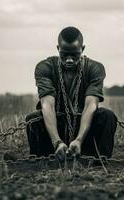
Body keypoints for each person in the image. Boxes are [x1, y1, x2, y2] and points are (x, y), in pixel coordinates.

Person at [26, 26, 117, 161]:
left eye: (74, 55)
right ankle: (44, 162)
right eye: (64, 54)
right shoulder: (45, 68)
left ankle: (99, 163)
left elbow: (91, 105)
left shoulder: (95, 68)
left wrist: (79, 140)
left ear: (83, 49)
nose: (69, 60)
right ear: (58, 49)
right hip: (57, 127)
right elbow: (47, 105)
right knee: (33, 119)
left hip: (85, 131)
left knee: (107, 116)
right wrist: (57, 141)